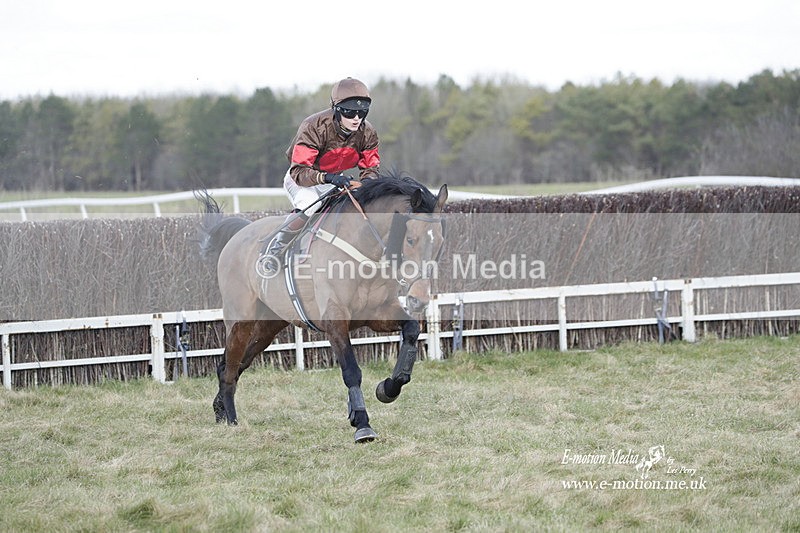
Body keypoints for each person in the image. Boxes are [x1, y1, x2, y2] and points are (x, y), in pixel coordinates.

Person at [262, 77, 380, 272]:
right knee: (311, 205)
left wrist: (367, 186)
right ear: (337, 109)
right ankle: (275, 250)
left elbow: (371, 168)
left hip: (334, 181)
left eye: (362, 112)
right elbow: (299, 171)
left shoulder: (368, 132)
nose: (356, 118)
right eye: (350, 112)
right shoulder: (313, 126)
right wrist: (328, 178)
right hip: (302, 180)